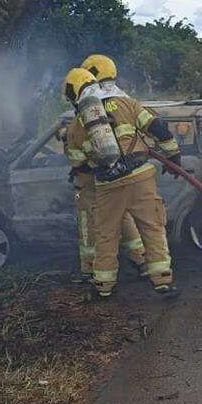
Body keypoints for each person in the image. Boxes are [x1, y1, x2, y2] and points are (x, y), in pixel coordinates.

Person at [62, 67, 182, 300]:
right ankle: (162, 282)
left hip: (108, 187)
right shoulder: (127, 103)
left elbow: (78, 163)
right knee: (153, 228)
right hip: (141, 178)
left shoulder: (77, 124)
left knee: (106, 235)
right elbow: (157, 128)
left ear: (74, 94)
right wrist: (173, 154)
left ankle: (103, 287)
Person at [67, 54, 145, 280]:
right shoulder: (123, 100)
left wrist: (78, 162)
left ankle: (91, 271)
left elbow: (79, 157)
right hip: (122, 173)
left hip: (94, 182)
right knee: (125, 217)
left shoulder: (86, 114)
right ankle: (142, 260)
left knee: (89, 226)